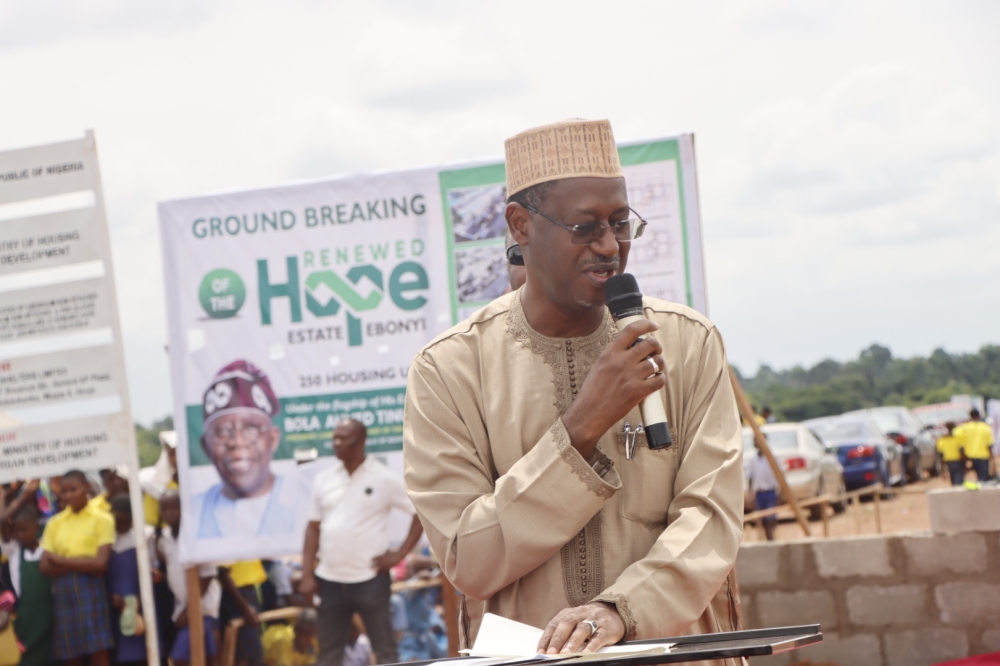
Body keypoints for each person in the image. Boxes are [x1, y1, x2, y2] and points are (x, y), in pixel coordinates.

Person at [403, 119, 743, 661]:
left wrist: (621, 610)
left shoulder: (687, 343)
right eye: (584, 227)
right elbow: (471, 559)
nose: (610, 246)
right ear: (521, 225)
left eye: (620, 223)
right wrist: (581, 426)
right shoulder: (449, 369)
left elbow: (711, 518)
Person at [300, 419, 424, 666]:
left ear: (362, 441)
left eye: (344, 438)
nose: (337, 443)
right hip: (330, 580)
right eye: (335, 437)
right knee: (328, 654)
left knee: (385, 650)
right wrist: (306, 574)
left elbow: (419, 513)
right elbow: (313, 529)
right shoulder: (323, 479)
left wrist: (398, 556)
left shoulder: (384, 478)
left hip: (370, 580)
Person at [192, 360, 298, 538]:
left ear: (272, 439)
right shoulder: (192, 511)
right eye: (223, 431)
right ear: (206, 446)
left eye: (251, 428)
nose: (238, 441)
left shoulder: (304, 501)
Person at [39, 469, 116, 666]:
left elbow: (101, 564)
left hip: (91, 590)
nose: (69, 495)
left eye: (74, 489)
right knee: (70, 654)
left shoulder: (102, 519)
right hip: (64, 593)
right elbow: (45, 567)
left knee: (98, 650)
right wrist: (84, 563)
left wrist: (62, 560)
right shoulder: (55, 523)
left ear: (87, 487)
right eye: (64, 491)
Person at [153, 490, 222, 666]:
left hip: (203, 607)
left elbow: (208, 574)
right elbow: (174, 568)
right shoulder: (164, 540)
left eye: (173, 508)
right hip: (183, 606)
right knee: (198, 656)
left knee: (181, 658)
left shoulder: (196, 535)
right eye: (164, 509)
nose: (169, 513)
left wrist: (189, 609)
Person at [0, 504, 54, 666]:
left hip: (49, 616)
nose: (20, 535)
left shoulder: (47, 549)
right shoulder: (13, 551)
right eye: (16, 531)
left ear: (37, 527)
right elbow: (3, 519)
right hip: (25, 620)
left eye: (25, 529)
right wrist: (26, 493)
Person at [107, 494, 150, 666]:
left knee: (142, 650)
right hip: (114, 605)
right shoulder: (106, 539)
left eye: (128, 521)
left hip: (139, 605)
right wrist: (111, 596)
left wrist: (141, 598)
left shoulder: (143, 537)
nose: (123, 526)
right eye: (118, 521)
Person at [218, 561, 266, 666]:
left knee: (254, 652)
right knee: (242, 653)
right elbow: (223, 572)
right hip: (238, 597)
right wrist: (245, 608)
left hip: (250, 592)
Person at [139, 431, 179, 526]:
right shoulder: (153, 486)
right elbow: (151, 523)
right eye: (171, 454)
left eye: (179, 453)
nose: (175, 458)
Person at [746, 448, 779, 541]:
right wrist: (750, 494)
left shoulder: (772, 457)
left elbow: (779, 473)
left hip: (770, 492)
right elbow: (750, 477)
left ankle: (772, 539)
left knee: (770, 519)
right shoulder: (753, 460)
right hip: (759, 493)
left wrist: (780, 492)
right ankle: (768, 540)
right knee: (762, 520)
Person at [955, 409, 995, 482]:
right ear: (979, 416)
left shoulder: (964, 428)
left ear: (970, 416)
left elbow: (956, 436)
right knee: (983, 479)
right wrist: (992, 460)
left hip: (970, 457)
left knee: (975, 476)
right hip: (983, 457)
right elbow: (989, 445)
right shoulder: (985, 427)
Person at [937, 422, 965, 486]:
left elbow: (940, 454)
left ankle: (955, 493)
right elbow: (962, 450)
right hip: (958, 461)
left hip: (949, 462)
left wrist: (942, 468)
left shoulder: (942, 439)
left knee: (953, 480)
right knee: (958, 480)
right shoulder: (958, 437)